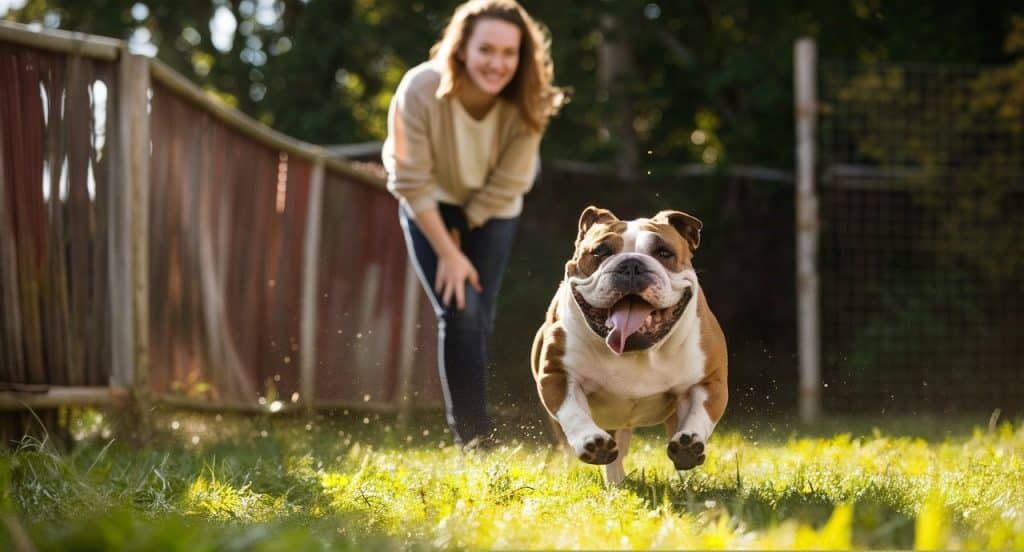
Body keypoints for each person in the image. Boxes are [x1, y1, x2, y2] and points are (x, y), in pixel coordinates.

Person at [382, 0, 564, 448]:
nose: (497, 63)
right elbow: (409, 178)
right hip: (428, 202)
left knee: (479, 315)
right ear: (461, 48)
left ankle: (479, 431)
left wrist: (467, 230)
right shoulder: (420, 88)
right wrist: (449, 251)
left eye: (509, 53)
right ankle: (474, 440)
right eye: (486, 49)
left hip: (493, 208)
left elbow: (511, 182)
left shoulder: (530, 100)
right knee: (460, 310)